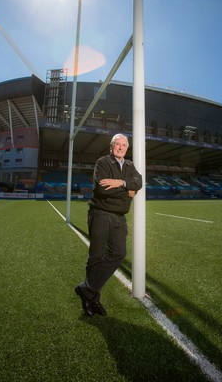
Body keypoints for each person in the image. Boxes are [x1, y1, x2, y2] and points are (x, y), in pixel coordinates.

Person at [75, 133, 143, 316]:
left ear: (127, 148)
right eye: (117, 144)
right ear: (111, 146)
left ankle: (87, 289)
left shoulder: (129, 166)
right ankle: (93, 300)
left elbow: (139, 182)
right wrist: (128, 191)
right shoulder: (103, 162)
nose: (120, 147)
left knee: (119, 253)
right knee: (96, 256)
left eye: (124, 145)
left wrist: (120, 182)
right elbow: (103, 189)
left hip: (120, 217)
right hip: (101, 214)